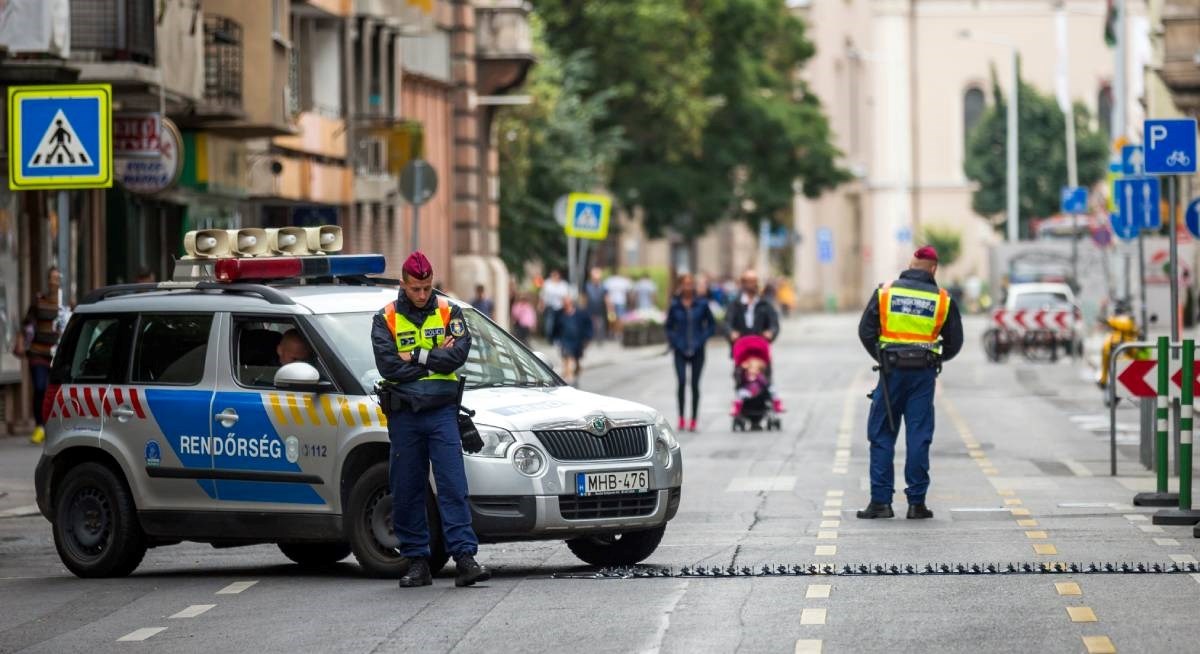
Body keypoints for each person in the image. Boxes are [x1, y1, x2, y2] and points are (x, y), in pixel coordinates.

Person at [371, 251, 489, 588]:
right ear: (403, 284)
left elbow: (457, 357)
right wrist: (435, 359)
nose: (423, 295)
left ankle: (465, 558)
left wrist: (418, 356)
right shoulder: (386, 318)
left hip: (441, 413)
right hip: (405, 414)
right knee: (407, 488)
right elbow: (389, 366)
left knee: (453, 485)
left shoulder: (448, 310)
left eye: (427, 288)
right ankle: (417, 561)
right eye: (416, 289)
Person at [855, 246, 963, 521]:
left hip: (891, 372)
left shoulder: (886, 292)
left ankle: (881, 502)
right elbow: (954, 342)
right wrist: (934, 358)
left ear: (910, 264)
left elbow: (866, 331)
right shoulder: (942, 300)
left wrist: (883, 355)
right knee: (918, 435)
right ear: (934, 269)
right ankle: (916, 503)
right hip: (923, 374)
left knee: (881, 434)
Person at [19, 267, 69, 445]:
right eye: (51, 279)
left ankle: (52, 426)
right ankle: (39, 426)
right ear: (47, 281)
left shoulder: (63, 304)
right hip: (38, 353)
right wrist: (22, 340)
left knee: (53, 391)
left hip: (56, 355)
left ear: (60, 282)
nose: (54, 282)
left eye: (57, 279)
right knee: (40, 387)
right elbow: (27, 323)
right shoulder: (39, 301)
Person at [664, 273, 715, 432]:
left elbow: (711, 325)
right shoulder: (675, 305)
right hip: (680, 349)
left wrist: (702, 339)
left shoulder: (702, 304)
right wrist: (675, 341)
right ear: (680, 285)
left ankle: (693, 419)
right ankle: (681, 418)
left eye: (690, 284)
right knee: (680, 382)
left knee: (694, 385)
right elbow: (668, 326)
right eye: (684, 284)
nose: (688, 287)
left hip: (697, 349)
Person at [726, 269, 780, 342]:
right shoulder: (735, 304)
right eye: (748, 281)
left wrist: (771, 332)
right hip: (739, 345)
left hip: (760, 344)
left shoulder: (765, 304)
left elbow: (774, 323)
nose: (751, 284)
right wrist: (731, 332)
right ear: (743, 283)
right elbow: (727, 322)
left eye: (753, 281)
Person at [551, 294, 593, 386]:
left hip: (577, 341)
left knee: (576, 359)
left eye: (568, 303)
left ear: (571, 303)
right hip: (564, 340)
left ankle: (575, 370)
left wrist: (588, 338)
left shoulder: (580, 314)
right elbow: (555, 327)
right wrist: (554, 338)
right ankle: (568, 377)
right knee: (567, 356)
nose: (566, 305)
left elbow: (588, 326)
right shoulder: (559, 314)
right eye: (564, 303)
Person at [539, 270, 570, 339]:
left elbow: (566, 296)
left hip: (560, 307)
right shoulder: (547, 284)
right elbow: (543, 295)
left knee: (559, 323)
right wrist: (542, 305)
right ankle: (549, 337)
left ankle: (558, 337)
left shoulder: (563, 285)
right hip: (550, 306)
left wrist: (567, 307)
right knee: (549, 323)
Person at [584, 267, 609, 341]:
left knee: (600, 323)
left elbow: (606, 297)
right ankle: (591, 337)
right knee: (591, 323)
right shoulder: (587, 286)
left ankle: (600, 338)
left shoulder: (603, 286)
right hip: (590, 307)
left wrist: (609, 308)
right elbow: (584, 297)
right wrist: (583, 307)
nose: (596, 280)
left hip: (600, 308)